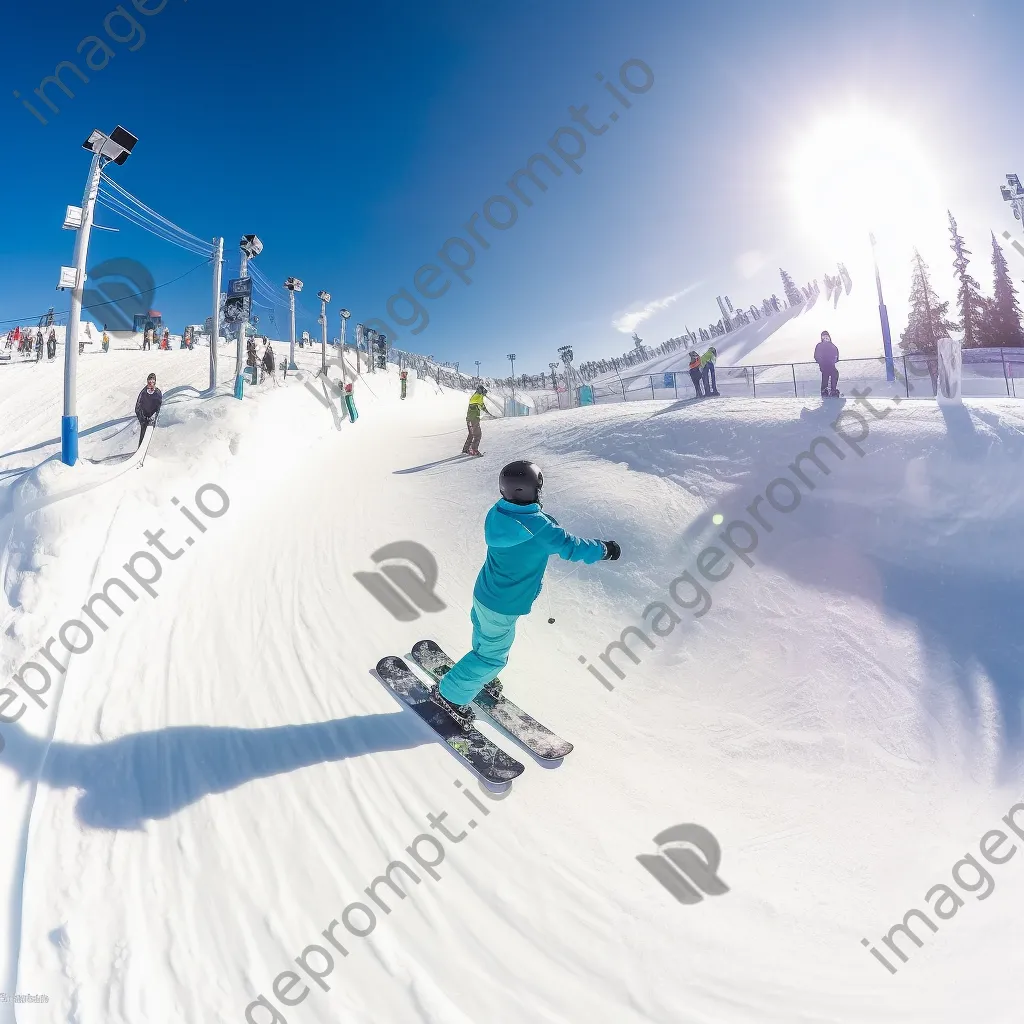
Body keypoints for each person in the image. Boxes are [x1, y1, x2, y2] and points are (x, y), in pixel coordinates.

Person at [428, 461, 621, 729]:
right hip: (504, 603)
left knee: (486, 638)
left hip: (485, 592)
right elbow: (572, 547)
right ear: (534, 491)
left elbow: (533, 527)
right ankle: (449, 695)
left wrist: (542, 522)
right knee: (492, 656)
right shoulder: (540, 529)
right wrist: (605, 550)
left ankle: (478, 674)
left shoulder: (498, 512)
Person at [462, 385, 493, 456]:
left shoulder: (476, 396)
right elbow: (480, 404)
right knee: (477, 435)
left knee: (471, 434)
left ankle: (466, 449)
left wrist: (488, 413)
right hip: (473, 419)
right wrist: (488, 413)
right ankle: (474, 450)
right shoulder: (477, 396)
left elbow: (481, 405)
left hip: (470, 419)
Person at [135, 373, 162, 448]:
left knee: (151, 437)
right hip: (144, 418)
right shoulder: (143, 392)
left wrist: (154, 417)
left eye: (152, 382)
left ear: (155, 383)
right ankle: (139, 450)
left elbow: (159, 406)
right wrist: (142, 418)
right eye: (149, 382)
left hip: (152, 419)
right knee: (143, 434)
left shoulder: (157, 393)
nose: (150, 384)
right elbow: (137, 407)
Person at [813, 330, 840, 397]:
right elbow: (816, 355)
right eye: (824, 337)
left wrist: (835, 359)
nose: (825, 338)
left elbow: (836, 353)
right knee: (830, 375)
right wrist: (821, 361)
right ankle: (829, 390)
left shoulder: (831, 345)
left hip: (829, 364)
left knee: (829, 376)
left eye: (826, 336)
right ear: (822, 338)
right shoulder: (820, 345)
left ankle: (827, 390)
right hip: (825, 364)